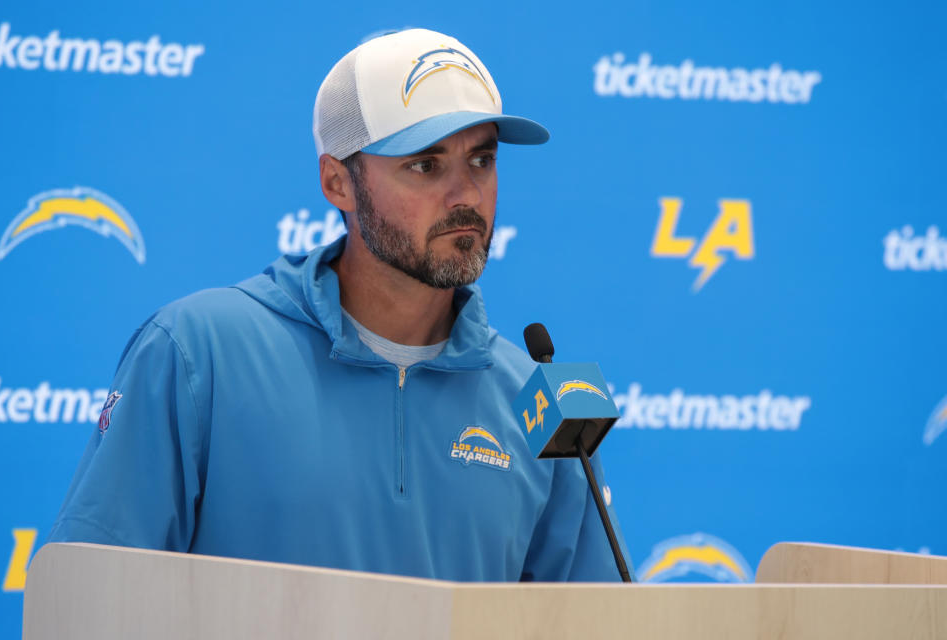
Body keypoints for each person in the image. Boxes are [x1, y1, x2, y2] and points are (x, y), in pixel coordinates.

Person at [49, 28, 633, 582]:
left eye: (481, 160)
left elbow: (596, 621)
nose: (465, 195)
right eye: (425, 165)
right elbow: (93, 602)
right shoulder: (199, 352)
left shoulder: (538, 399)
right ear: (338, 183)